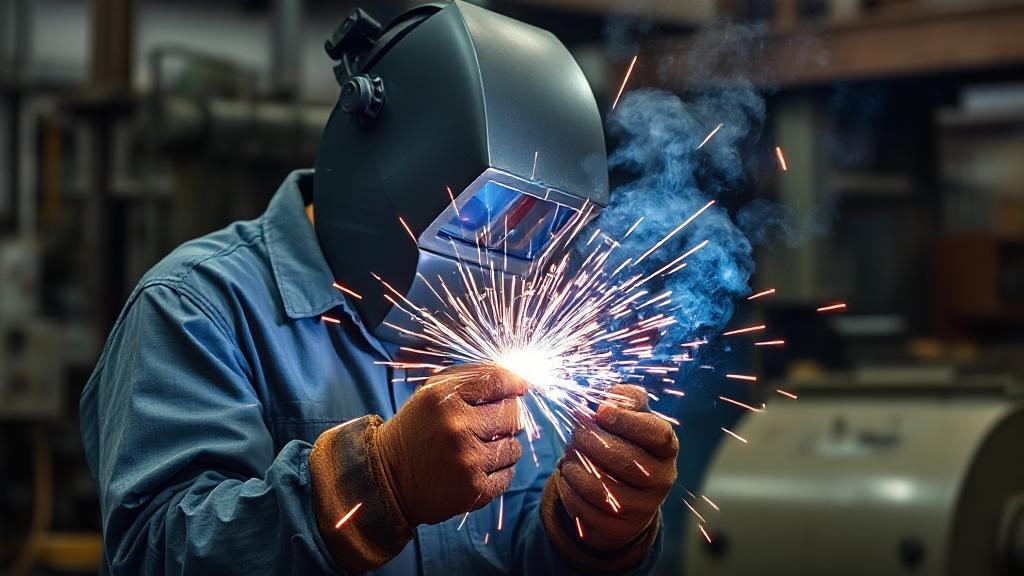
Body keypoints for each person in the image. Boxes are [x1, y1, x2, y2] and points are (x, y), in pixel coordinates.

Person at [80, 3, 678, 574]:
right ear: (390, 154)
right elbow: (156, 555)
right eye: (483, 213)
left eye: (533, 226)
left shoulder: (491, 324)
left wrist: (591, 534)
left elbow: (514, 549)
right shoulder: (198, 311)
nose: (496, 262)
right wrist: (378, 483)